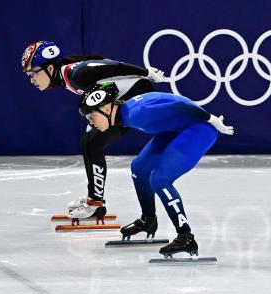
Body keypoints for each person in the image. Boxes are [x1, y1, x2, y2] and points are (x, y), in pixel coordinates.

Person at [78, 82, 234, 257]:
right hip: (177, 128)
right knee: (139, 168)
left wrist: (211, 119)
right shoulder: (126, 113)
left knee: (159, 179)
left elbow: (181, 105)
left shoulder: (138, 113)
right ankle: (148, 220)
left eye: (91, 116)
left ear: (106, 108)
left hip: (199, 129)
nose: (91, 123)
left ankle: (185, 236)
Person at [21, 40, 165, 219]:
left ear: (50, 69)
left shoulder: (76, 74)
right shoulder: (66, 76)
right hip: (120, 101)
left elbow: (114, 66)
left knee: (92, 144)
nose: (31, 79)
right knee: (88, 142)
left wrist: (146, 72)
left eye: (32, 73)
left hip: (136, 99)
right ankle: (93, 199)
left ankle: (96, 203)